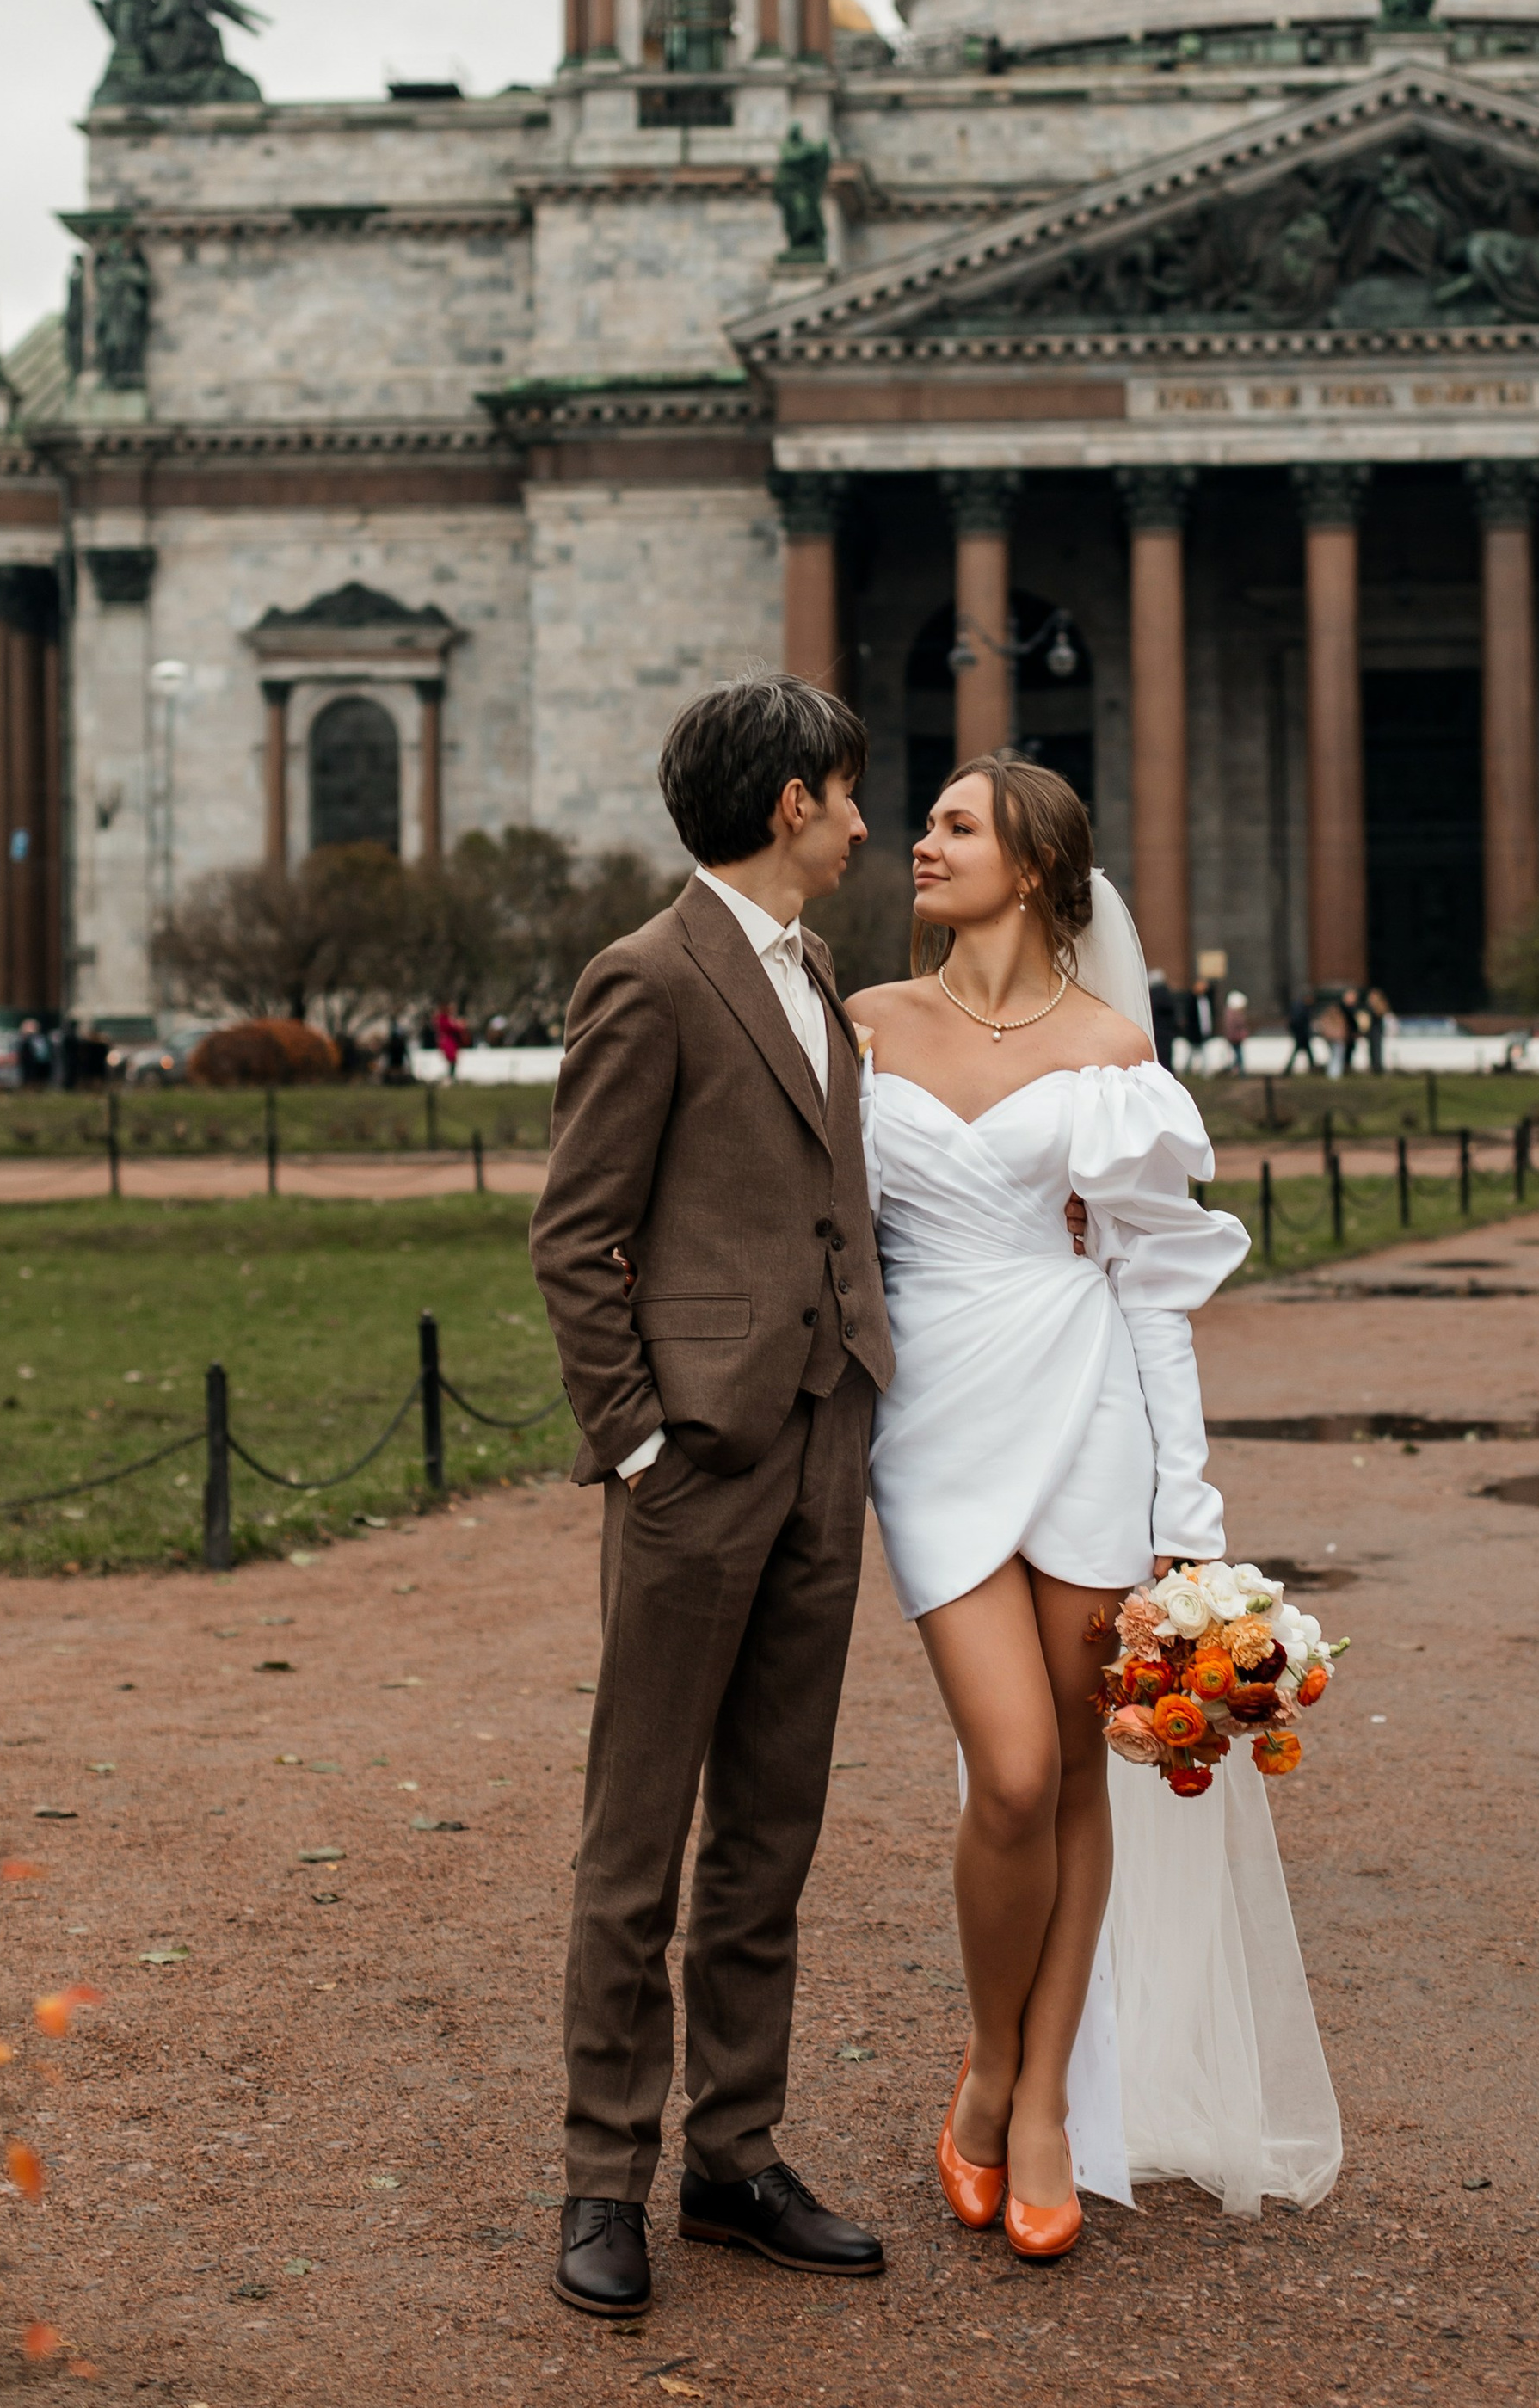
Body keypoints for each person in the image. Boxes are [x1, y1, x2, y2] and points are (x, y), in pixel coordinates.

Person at [849, 755, 1341, 2257]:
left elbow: (1151, 1294)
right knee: (1007, 1775)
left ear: (1039, 871)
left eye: (953, 826)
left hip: (1087, 1412)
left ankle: (1037, 2094)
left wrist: (1186, 1512)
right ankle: (995, 2063)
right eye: (925, 823)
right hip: (930, 1421)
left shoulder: (1116, 1053)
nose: (918, 843)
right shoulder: (862, 1026)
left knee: (1077, 1775)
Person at [530, 675, 895, 2321]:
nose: (867, 822)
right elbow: (574, 1234)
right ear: (789, 804)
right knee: (637, 1838)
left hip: (823, 1449)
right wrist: (638, 1441)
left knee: (772, 1828)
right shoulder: (650, 976)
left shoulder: (818, 971)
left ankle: (735, 2156)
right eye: (848, 793)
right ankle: (602, 2178)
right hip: (694, 1462)